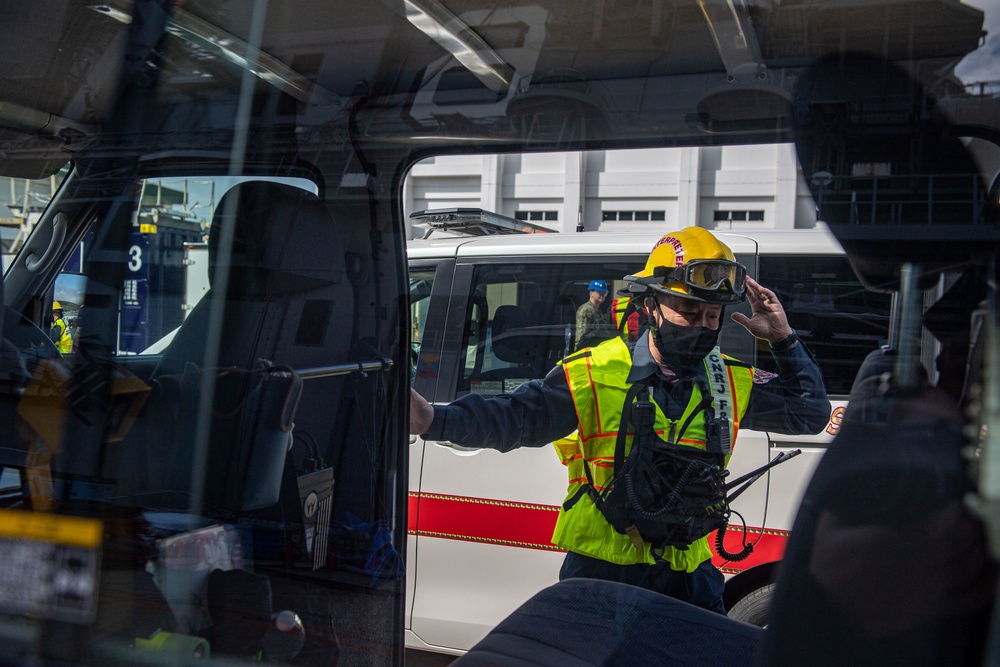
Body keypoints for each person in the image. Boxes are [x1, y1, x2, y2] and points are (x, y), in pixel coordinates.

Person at [409, 226, 830, 614]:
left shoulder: (730, 381)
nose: (702, 326)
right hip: (602, 578)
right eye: (689, 311)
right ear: (651, 305)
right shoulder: (596, 370)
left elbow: (810, 412)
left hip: (690, 579)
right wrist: (433, 419)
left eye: (712, 317)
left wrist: (784, 339)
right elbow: (518, 417)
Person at [574, 279, 616, 350]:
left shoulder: (599, 310)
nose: (603, 295)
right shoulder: (585, 310)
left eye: (604, 293)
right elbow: (581, 336)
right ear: (591, 293)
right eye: (599, 292)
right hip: (585, 350)